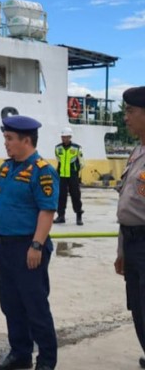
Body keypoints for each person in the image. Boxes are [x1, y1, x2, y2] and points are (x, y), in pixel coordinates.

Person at [0, 115, 59, 370]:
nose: (6, 143)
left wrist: (37, 245)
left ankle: (46, 361)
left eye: (10, 139)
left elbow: (47, 211)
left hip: (28, 247)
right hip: (6, 246)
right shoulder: (6, 168)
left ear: (26, 140)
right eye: (5, 138)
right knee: (10, 302)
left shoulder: (43, 170)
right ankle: (20, 354)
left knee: (35, 306)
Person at [114, 86, 145, 369]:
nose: (126, 117)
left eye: (131, 111)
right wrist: (121, 250)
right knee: (137, 307)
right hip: (133, 242)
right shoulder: (137, 152)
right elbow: (127, 205)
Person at [53, 126, 84, 225]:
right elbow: (58, 160)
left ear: (70, 137)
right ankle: (61, 216)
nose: (64, 138)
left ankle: (79, 216)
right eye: (62, 137)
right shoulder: (58, 148)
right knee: (61, 197)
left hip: (73, 176)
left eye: (66, 137)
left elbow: (82, 162)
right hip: (61, 175)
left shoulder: (76, 148)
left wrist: (75, 170)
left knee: (76, 196)